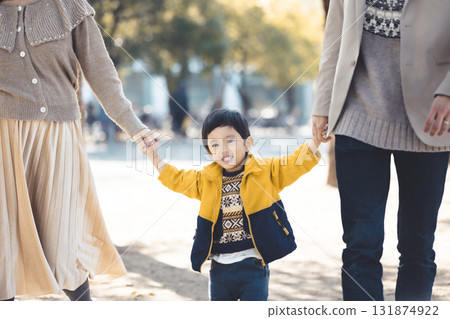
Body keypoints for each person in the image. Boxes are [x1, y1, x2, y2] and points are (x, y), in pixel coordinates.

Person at [0, 0, 152, 301]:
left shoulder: (68, 6)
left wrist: (136, 128)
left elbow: (101, 73)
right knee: (3, 241)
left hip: (56, 138)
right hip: (4, 139)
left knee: (63, 235)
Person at [311, 0, 450, 301]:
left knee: (418, 245)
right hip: (357, 113)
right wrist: (323, 102)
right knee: (360, 245)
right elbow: (335, 28)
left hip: (431, 118)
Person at [141, 109, 321, 300]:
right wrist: (154, 156)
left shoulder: (266, 171)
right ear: (210, 152)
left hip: (254, 266)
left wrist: (316, 141)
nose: (223, 149)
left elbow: (294, 163)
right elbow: (177, 179)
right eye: (215, 145)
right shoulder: (206, 179)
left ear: (247, 143)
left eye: (230, 141)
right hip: (220, 270)